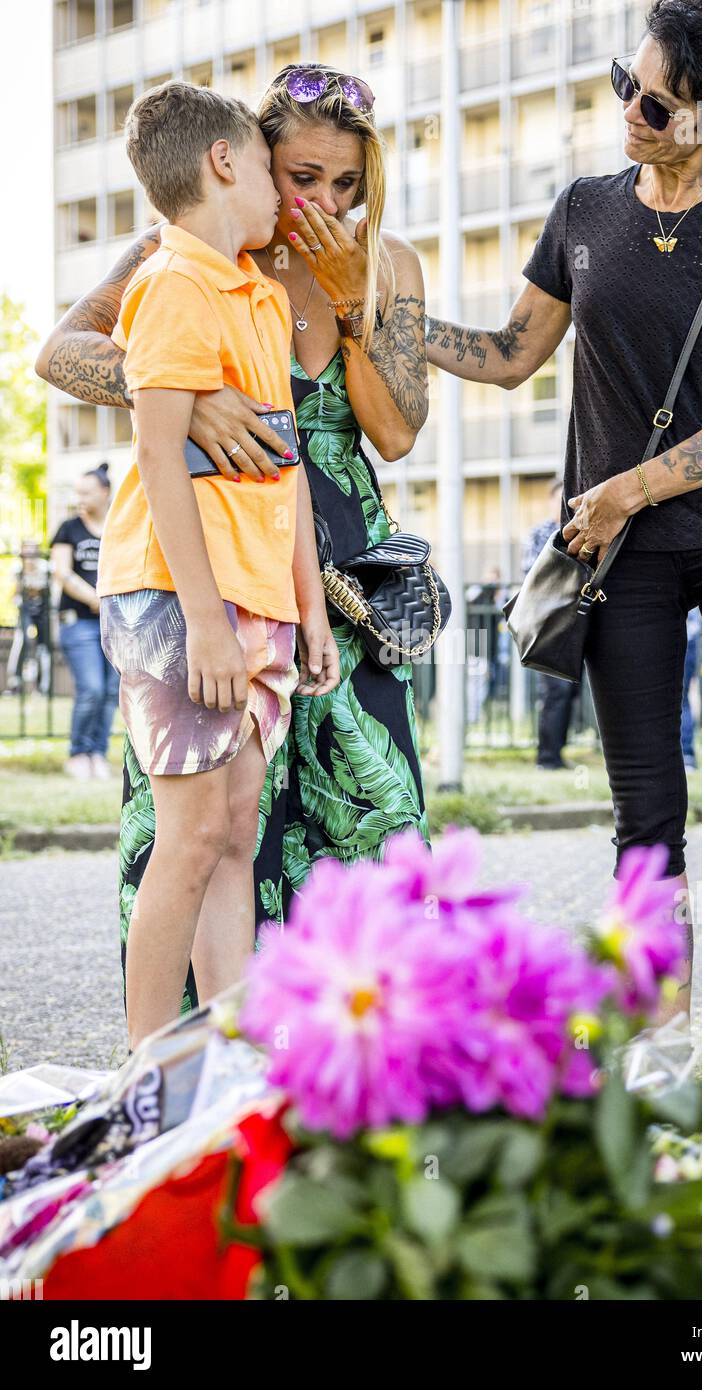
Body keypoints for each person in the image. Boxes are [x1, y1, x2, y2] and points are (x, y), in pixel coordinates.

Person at [426, 0, 702, 1020]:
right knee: (642, 816)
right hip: (622, 565)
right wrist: (386, 322)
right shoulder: (582, 210)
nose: (630, 113)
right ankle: (655, 1067)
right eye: (627, 85)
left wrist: (622, 491)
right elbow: (513, 355)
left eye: (657, 103)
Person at [36, 64, 431, 1014]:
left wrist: (346, 303)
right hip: (206, 564)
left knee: (370, 814)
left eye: (347, 183)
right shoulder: (198, 246)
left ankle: (367, 1064)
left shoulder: (390, 265)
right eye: (303, 176)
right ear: (247, 161)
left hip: (336, 565)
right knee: (209, 823)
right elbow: (59, 352)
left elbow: (397, 431)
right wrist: (184, 395)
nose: (324, 202)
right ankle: (188, 1056)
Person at [92, 81, 340, 1046]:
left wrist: (308, 607)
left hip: (257, 595)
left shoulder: (260, 295)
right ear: (224, 162)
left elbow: (287, 468)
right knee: (191, 835)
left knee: (237, 829)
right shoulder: (177, 280)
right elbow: (159, 453)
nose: (287, 192)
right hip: (179, 596)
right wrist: (203, 620)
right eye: (268, 167)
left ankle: (227, 1070)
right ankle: (143, 1077)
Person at [50, 464, 118, 779]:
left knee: (110, 691)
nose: (80, 498)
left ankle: (97, 753)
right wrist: (96, 599)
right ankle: (78, 753)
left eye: (87, 492)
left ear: (104, 492)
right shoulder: (69, 528)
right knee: (90, 688)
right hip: (79, 622)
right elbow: (62, 573)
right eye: (77, 492)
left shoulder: (120, 525)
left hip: (114, 623)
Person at [521, 478, 580, 769]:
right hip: (549, 622)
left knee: (570, 691)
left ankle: (557, 752)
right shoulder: (540, 534)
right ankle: (547, 757)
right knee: (555, 691)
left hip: (577, 618)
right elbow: (533, 574)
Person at [4, 540, 51, 699]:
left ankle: (43, 686)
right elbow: (15, 595)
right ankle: (14, 682)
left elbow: (49, 593)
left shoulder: (45, 568)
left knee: (43, 647)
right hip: (25, 609)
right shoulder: (18, 570)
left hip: (43, 610)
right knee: (21, 641)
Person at [680, 606, 702, 772]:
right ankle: (687, 753)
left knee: (682, 698)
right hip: (690, 635)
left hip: (687, 635)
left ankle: (687, 753)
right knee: (685, 697)